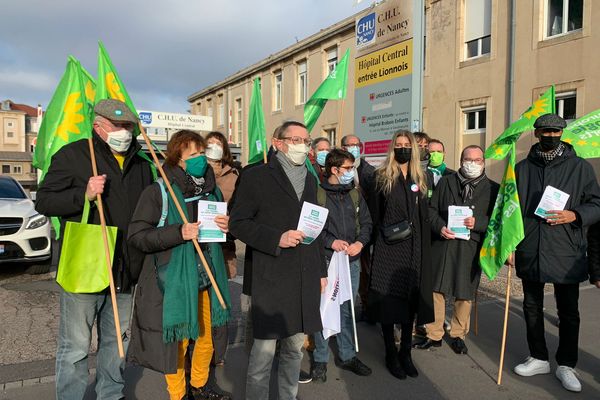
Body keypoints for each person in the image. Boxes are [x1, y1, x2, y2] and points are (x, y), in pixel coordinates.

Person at [35, 99, 155, 400]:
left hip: (127, 268)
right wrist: (84, 194)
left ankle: (110, 395)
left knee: (116, 343)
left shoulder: (142, 164)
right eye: (118, 126)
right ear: (98, 126)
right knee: (75, 346)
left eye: (128, 126)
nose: (125, 132)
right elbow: (44, 201)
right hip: (86, 268)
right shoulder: (75, 155)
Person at [127, 130, 232, 400]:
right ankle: (179, 393)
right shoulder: (158, 191)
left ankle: (199, 383)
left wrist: (227, 227)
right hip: (174, 276)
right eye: (193, 154)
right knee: (180, 339)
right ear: (178, 159)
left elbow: (221, 233)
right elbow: (137, 235)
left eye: (202, 152)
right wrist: (178, 232)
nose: (200, 159)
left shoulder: (213, 189)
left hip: (209, 271)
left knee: (209, 333)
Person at [229, 120, 327, 400]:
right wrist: (276, 238)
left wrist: (321, 271)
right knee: (263, 355)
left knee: (294, 350)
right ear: (278, 143)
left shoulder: (310, 178)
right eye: (295, 140)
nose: (302, 146)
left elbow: (315, 228)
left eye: (305, 141)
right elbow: (238, 223)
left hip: (303, 276)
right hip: (270, 277)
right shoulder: (256, 176)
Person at [510, 114, 600, 393]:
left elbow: (596, 204)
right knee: (532, 307)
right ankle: (538, 357)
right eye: (544, 131)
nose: (550, 135)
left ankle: (566, 364)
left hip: (566, 250)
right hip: (531, 248)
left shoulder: (580, 168)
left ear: (562, 133)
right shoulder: (521, 168)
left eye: (554, 131)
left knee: (569, 311)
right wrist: (509, 245)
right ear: (536, 134)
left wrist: (575, 214)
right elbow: (511, 210)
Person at [413, 145, 498, 354]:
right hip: (443, 243)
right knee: (436, 289)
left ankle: (458, 334)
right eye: (468, 159)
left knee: (464, 293)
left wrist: (478, 222)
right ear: (461, 161)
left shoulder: (494, 189)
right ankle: (434, 334)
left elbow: (498, 221)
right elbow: (431, 210)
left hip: (471, 246)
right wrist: (440, 226)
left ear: (483, 162)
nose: (472, 164)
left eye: (477, 160)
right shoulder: (446, 182)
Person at [367, 130, 434, 380]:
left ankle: (406, 352)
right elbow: (374, 215)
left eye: (407, 145)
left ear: (414, 149)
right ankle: (390, 352)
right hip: (389, 247)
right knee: (388, 301)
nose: (403, 148)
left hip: (414, 248)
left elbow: (426, 214)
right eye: (399, 145)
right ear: (392, 148)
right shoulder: (381, 177)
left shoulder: (421, 177)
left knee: (410, 301)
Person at [311, 149, 373, 383]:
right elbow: (312, 229)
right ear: (335, 170)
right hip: (327, 260)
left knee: (347, 308)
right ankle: (320, 359)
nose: (352, 172)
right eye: (348, 168)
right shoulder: (317, 194)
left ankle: (347, 355)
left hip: (351, 261)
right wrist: (331, 242)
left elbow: (367, 224)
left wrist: (360, 243)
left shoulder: (354, 194)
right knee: (324, 308)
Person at [206, 131, 240, 367]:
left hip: (223, 245)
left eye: (218, 144)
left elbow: (241, 208)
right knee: (201, 303)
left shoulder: (234, 175)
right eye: (209, 144)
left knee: (220, 301)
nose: (214, 148)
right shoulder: (195, 169)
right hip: (199, 245)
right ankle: (200, 349)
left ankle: (218, 353)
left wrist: (232, 222)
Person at [340, 134, 376, 312]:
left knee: (366, 269)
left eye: (356, 144)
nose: (354, 147)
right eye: (349, 145)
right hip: (343, 231)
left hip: (364, 228)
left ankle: (367, 305)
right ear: (342, 147)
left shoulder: (369, 171)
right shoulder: (337, 169)